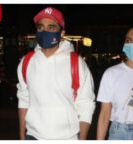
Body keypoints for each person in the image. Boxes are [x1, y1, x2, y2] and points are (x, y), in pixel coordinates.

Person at [16, 7, 95, 140]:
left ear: (62, 32)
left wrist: (82, 139)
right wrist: (22, 136)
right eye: (40, 27)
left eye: (51, 27)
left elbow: (86, 103)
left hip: (67, 138)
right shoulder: (27, 62)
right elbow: (24, 99)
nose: (44, 31)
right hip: (33, 136)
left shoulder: (76, 63)